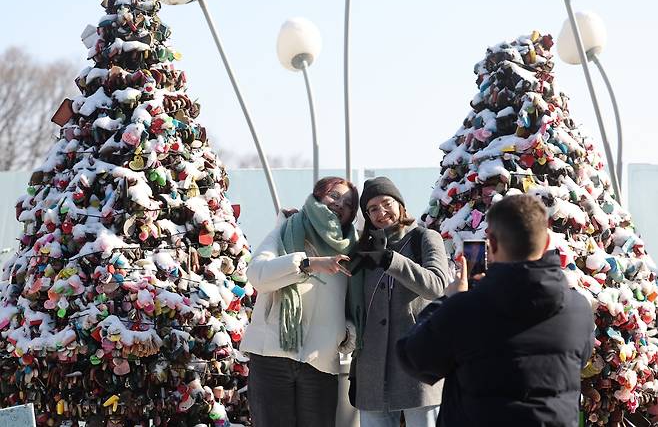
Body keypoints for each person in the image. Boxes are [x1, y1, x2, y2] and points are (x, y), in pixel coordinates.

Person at [397, 194, 595, 427]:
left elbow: (414, 358)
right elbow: (577, 360)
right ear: (546, 243)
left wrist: (447, 301)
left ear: (491, 242)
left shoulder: (464, 309)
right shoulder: (578, 308)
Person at [242, 176, 359, 427]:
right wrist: (307, 263)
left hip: (320, 362)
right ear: (318, 196)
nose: (340, 205)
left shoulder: (352, 249)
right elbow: (257, 275)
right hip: (272, 354)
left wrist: (345, 332)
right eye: (334, 196)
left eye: (348, 204)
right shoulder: (287, 228)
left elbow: (354, 303)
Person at [347, 176, 451, 427]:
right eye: (372, 209)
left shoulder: (424, 238)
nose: (381, 212)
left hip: (417, 368)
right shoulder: (362, 251)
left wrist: (391, 260)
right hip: (372, 373)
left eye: (386, 203)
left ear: (400, 205)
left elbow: (437, 286)